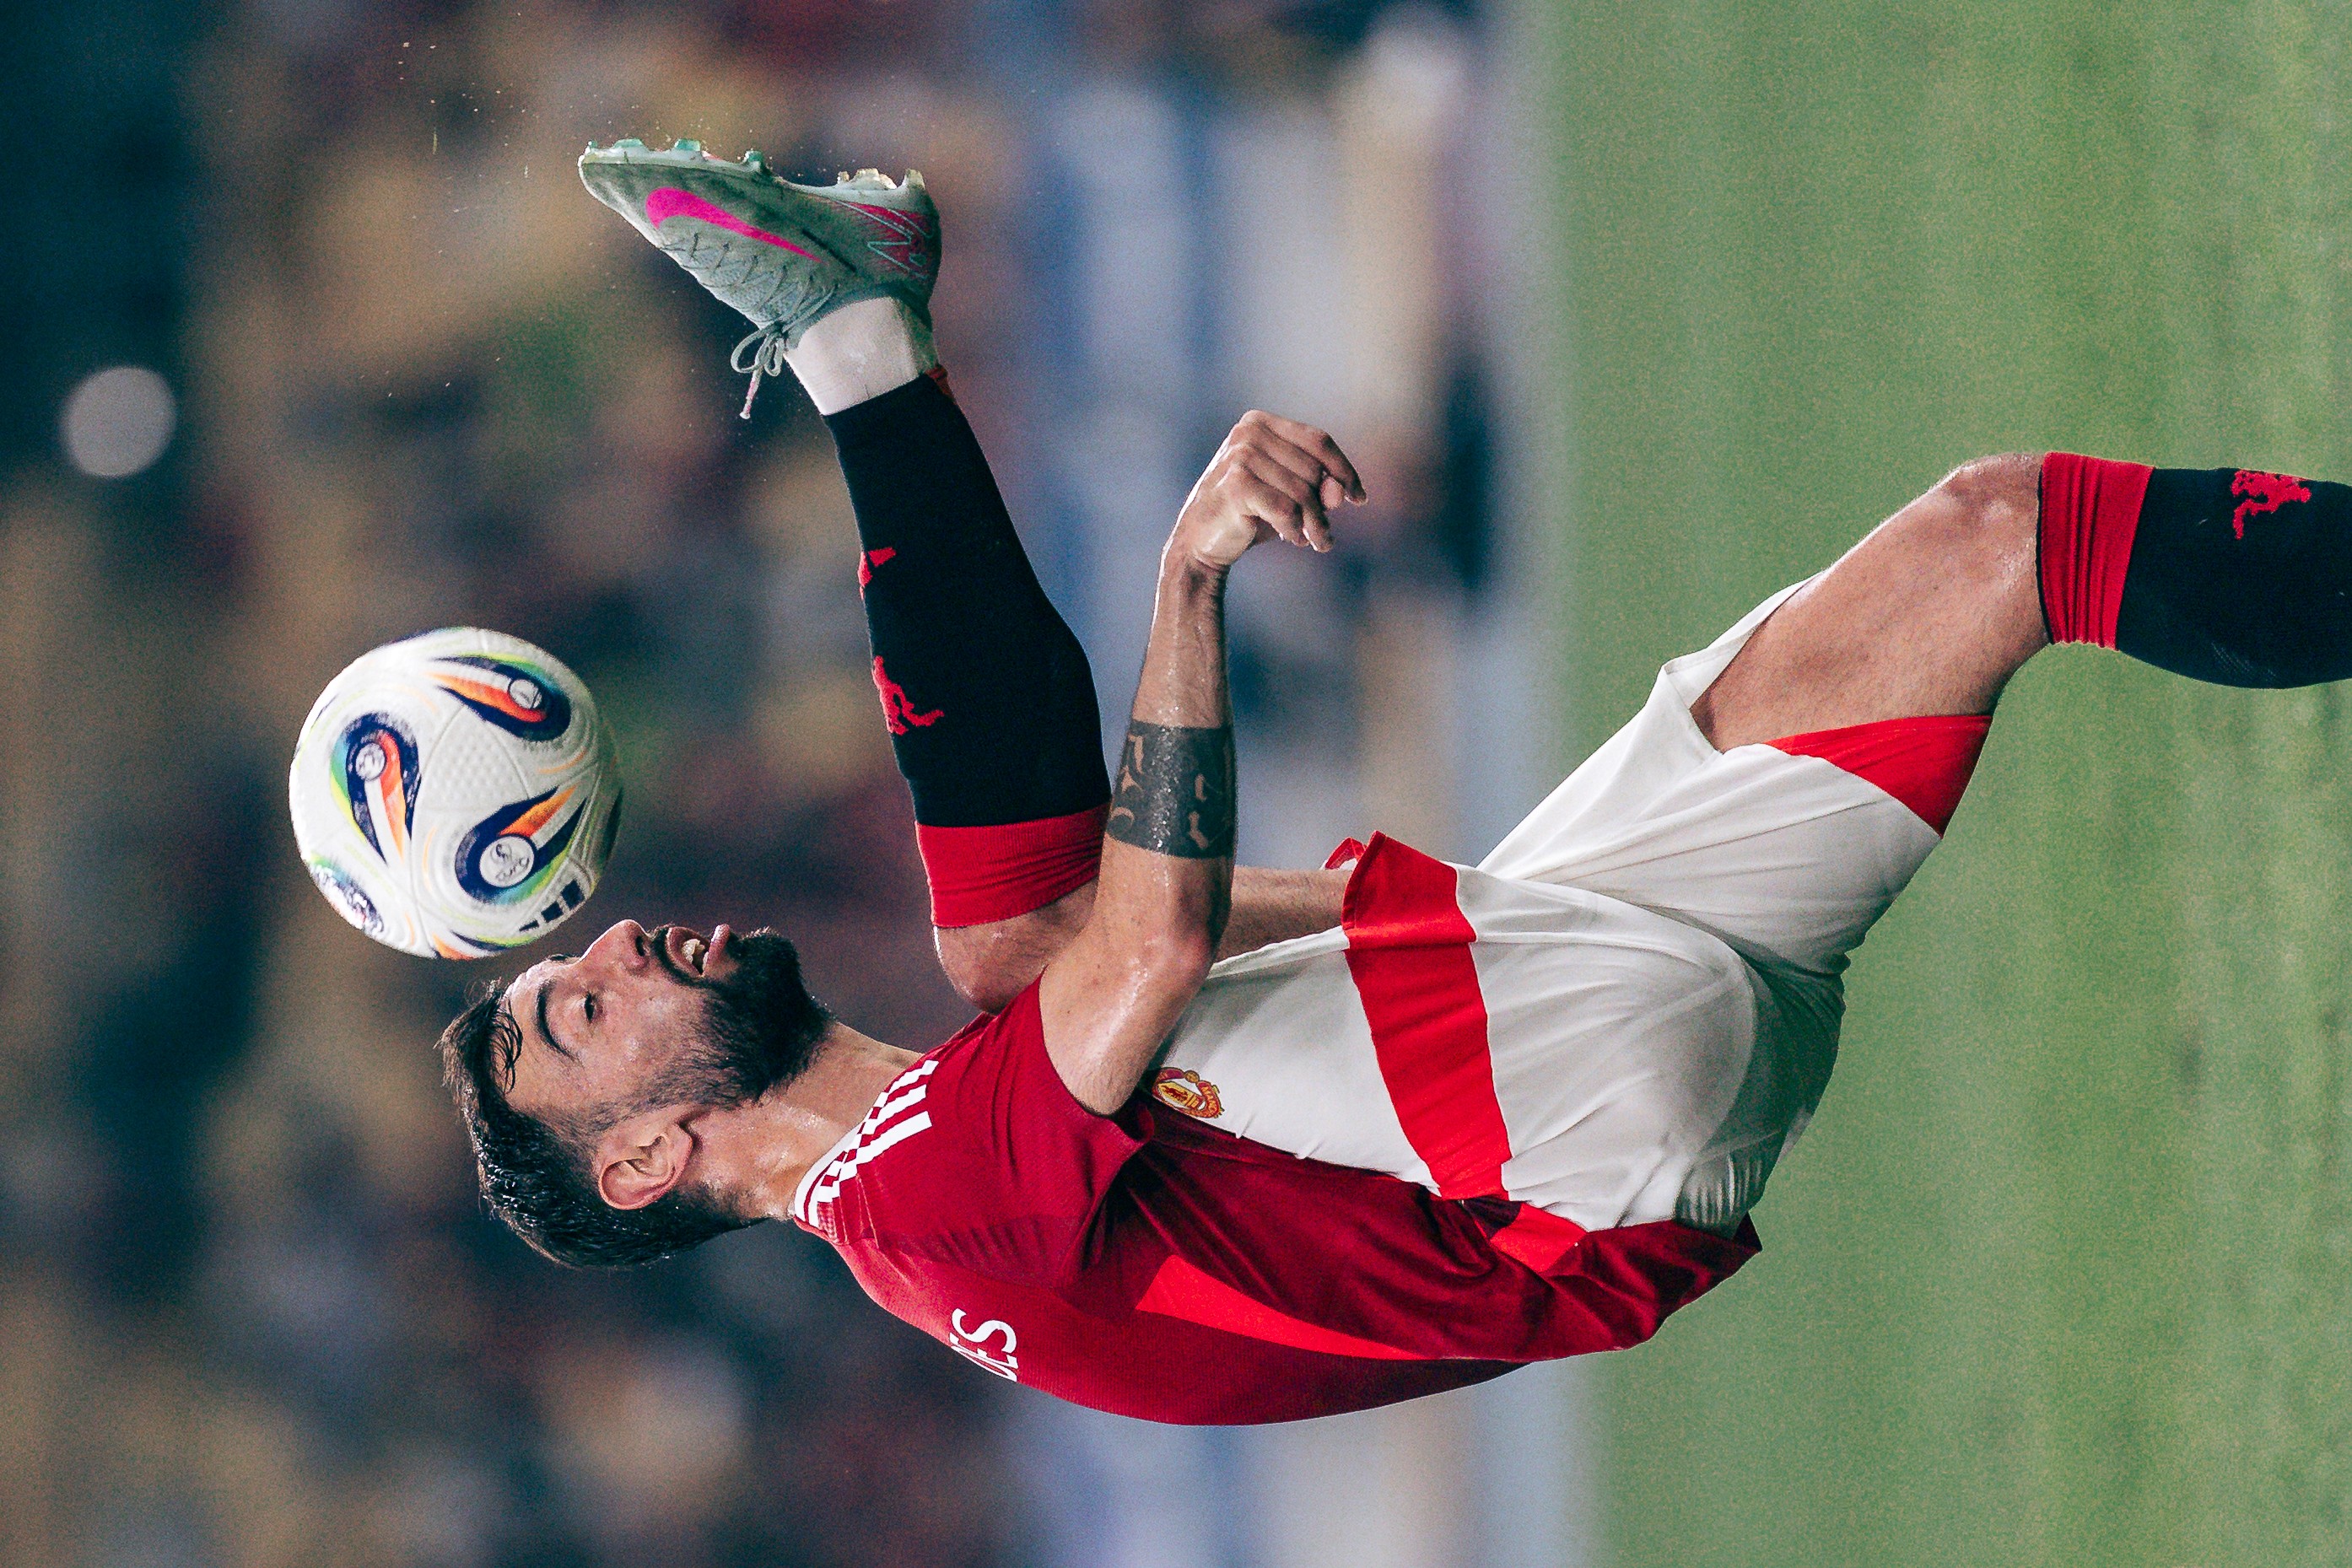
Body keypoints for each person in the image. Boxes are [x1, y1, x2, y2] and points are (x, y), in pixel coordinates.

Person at [435, 139, 2352, 1425]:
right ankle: (859, 343)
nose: (605, 949)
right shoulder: (915, 1218)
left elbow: (1157, 945)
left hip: (1562, 1010)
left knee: (1991, 537)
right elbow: (1154, 926)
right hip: (1564, 1153)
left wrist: (1416, 901)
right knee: (1029, 946)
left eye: (566, 965)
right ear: (645, 1160)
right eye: (572, 1017)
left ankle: (861, 328)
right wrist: (1189, 571)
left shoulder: (949, 1150)